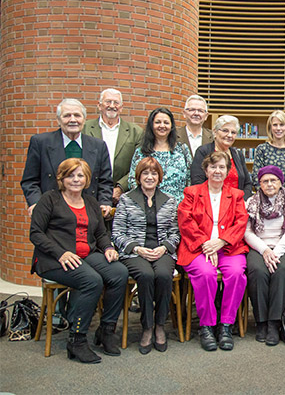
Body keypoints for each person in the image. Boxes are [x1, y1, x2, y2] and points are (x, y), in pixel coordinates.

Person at [29, 159, 127, 363]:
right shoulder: (49, 200)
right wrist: (60, 253)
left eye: (80, 175)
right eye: (70, 175)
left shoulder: (91, 202)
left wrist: (108, 247)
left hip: (87, 255)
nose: (75, 179)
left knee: (119, 273)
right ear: (61, 178)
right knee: (92, 281)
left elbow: (100, 233)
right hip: (54, 259)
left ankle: (106, 330)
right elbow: (36, 234)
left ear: (87, 179)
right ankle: (77, 339)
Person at [178, 152, 249, 351]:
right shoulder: (191, 193)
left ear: (228, 171)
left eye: (222, 167)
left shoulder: (236, 195)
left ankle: (226, 325)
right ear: (206, 170)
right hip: (198, 248)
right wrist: (206, 244)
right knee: (206, 273)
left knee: (236, 274)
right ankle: (207, 326)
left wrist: (221, 242)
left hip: (229, 247)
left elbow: (241, 222)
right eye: (213, 167)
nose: (217, 171)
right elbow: (186, 221)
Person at [112, 157, 180, 354]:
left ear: (159, 177)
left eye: (154, 173)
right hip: (135, 252)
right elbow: (117, 233)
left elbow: (176, 232)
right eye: (145, 173)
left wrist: (164, 248)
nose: (149, 177)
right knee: (146, 275)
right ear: (138, 177)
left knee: (163, 275)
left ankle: (160, 325)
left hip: (162, 251)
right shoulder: (126, 199)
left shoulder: (169, 200)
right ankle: (147, 327)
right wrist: (136, 248)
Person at [21, 98, 113, 218]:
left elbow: (105, 181)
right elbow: (30, 180)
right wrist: (36, 203)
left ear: (84, 120)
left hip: (88, 215)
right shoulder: (40, 143)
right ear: (58, 120)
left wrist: (104, 202)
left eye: (77, 115)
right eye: (67, 116)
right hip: (51, 214)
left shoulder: (98, 146)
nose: (73, 120)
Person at [244, 165, 285, 346]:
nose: (269, 184)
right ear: (259, 184)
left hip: (284, 247)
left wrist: (275, 253)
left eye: (273, 180)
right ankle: (261, 322)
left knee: (282, 271)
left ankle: (274, 323)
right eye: (265, 181)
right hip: (259, 247)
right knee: (257, 271)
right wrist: (265, 251)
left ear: (280, 182)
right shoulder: (251, 202)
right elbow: (247, 233)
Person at [83, 88, 144, 205]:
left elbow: (139, 164)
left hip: (123, 196)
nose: (112, 106)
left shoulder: (135, 132)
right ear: (99, 105)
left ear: (121, 107)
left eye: (116, 103)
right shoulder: (85, 128)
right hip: (89, 193)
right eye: (108, 102)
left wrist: (120, 187)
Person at [128, 107, 192, 204]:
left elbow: (189, 179)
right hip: (148, 208)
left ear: (171, 126)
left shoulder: (182, 150)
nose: (162, 126)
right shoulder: (141, 152)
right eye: (158, 122)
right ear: (151, 125)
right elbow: (133, 181)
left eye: (166, 123)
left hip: (177, 210)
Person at [190, 115, 252, 200]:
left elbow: (247, 183)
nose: (229, 135)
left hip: (236, 205)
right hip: (211, 204)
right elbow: (197, 182)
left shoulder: (238, 154)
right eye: (225, 131)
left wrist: (242, 200)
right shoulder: (203, 151)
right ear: (215, 132)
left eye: (233, 132)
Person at [250, 110, 285, 192]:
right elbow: (256, 177)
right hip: (266, 195)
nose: (278, 128)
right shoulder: (262, 149)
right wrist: (266, 195)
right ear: (270, 127)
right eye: (275, 125)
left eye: (281, 125)